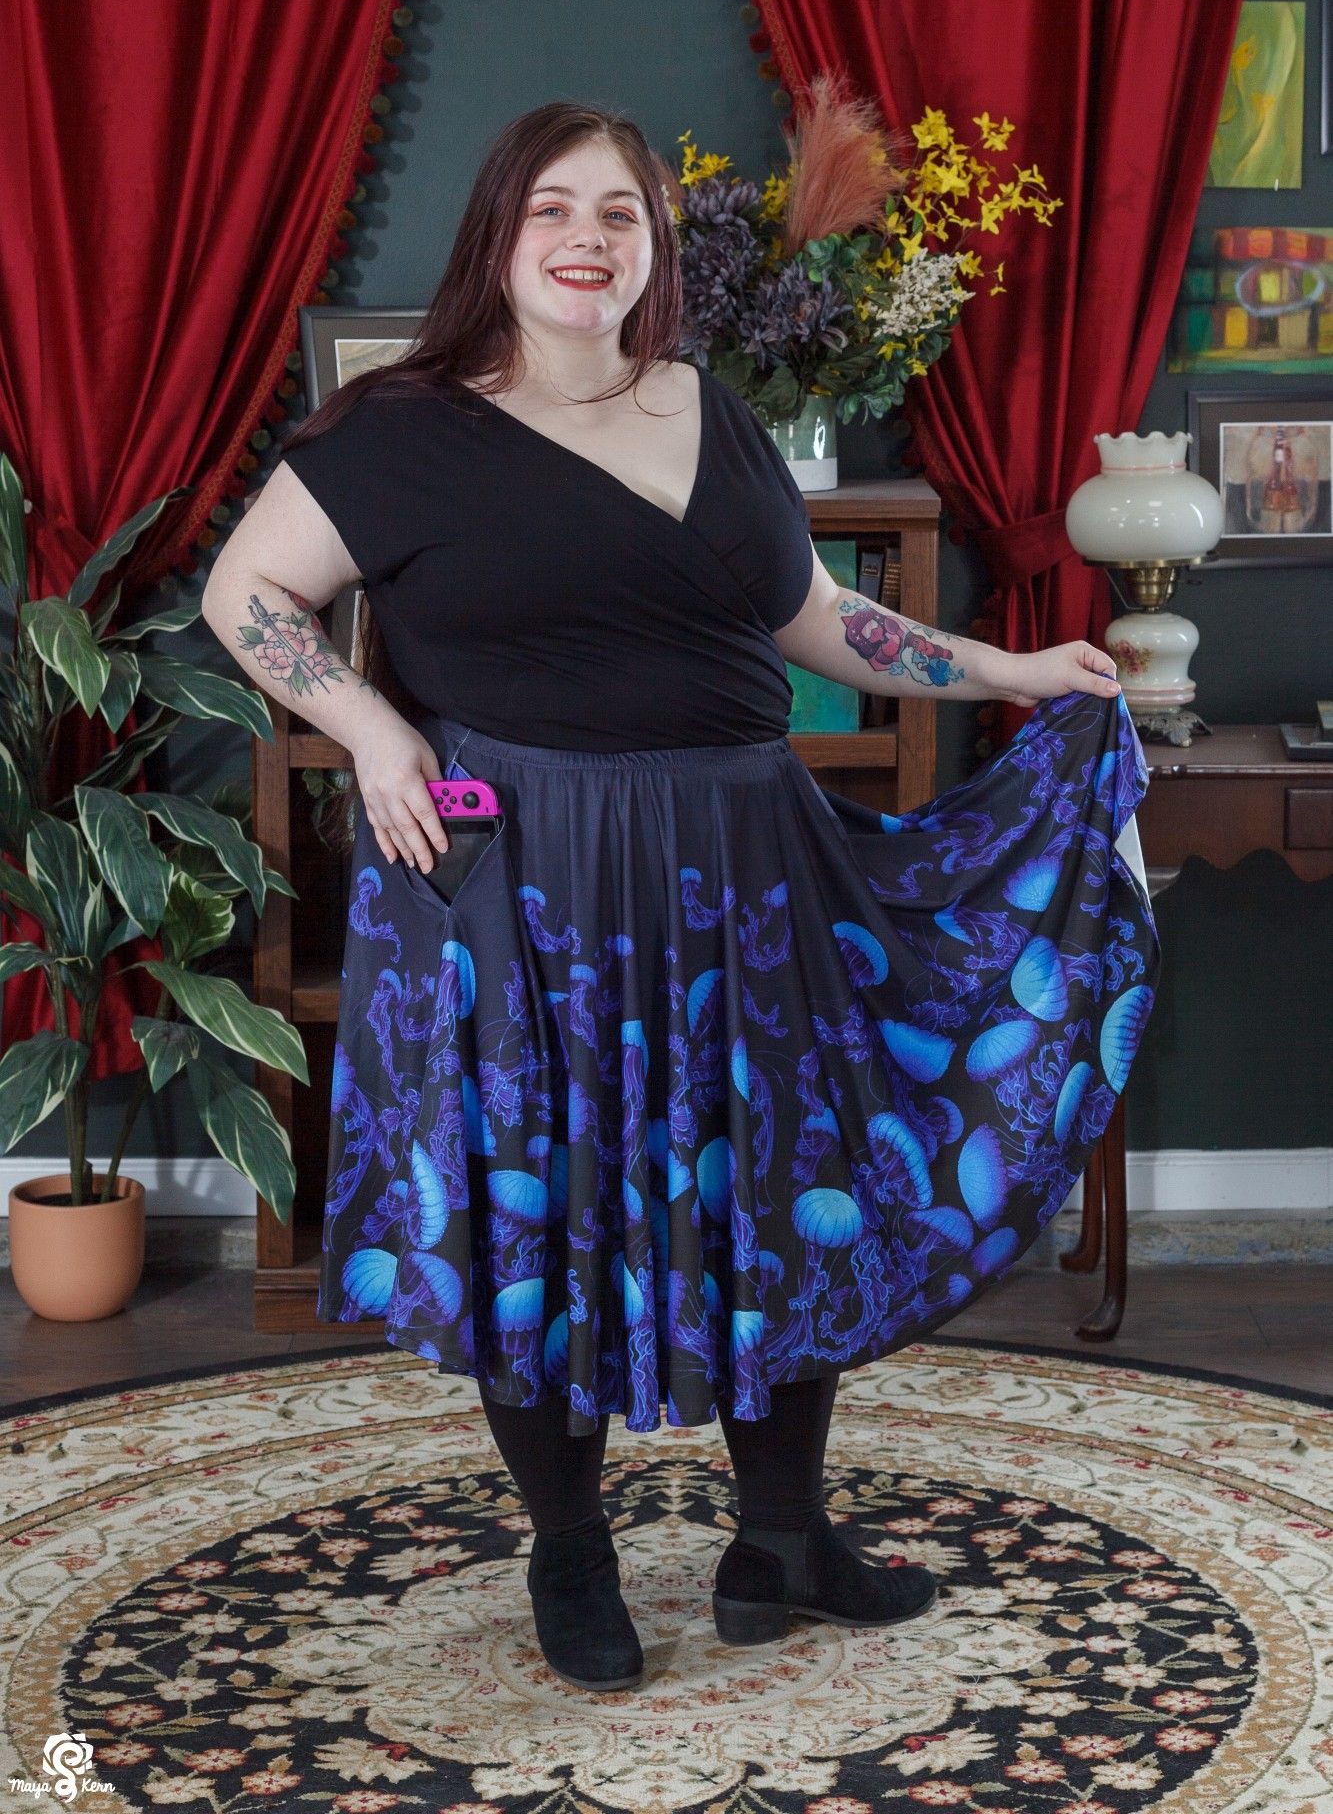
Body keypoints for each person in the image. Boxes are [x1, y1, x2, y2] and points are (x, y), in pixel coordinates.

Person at [201, 99, 1159, 1695]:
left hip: (745, 864)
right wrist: (368, 729)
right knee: (542, 1211)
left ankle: (777, 1542)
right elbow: (249, 593)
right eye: (554, 210)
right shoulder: (395, 429)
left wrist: (997, 667)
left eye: (621, 215)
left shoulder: (699, 406)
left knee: (776, 1191)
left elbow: (816, 614)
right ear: (498, 241)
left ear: (652, 246)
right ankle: (570, 1553)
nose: (589, 239)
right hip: (524, 879)